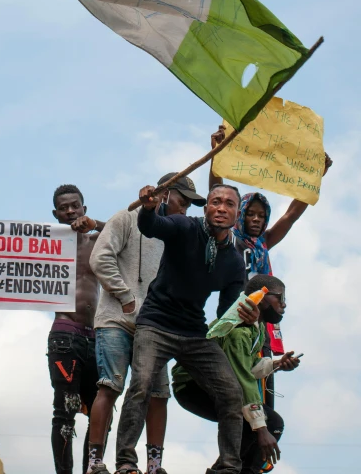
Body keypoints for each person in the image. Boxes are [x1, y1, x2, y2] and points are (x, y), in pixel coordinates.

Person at [0, 183, 105, 474]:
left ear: (85, 208)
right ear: (55, 213)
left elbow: (132, 232)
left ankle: (92, 469)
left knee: (101, 409)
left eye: (75, 205)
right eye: (64, 207)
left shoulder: (100, 240)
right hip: (65, 333)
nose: (71, 210)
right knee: (66, 409)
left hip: (98, 337)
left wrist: (96, 224)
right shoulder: (48, 242)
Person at [114, 182, 259, 474]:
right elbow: (151, 225)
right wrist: (149, 206)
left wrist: (247, 316)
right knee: (141, 385)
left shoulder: (233, 260)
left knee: (231, 393)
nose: (221, 208)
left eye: (229, 204)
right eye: (215, 202)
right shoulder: (184, 226)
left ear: (237, 214)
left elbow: (225, 315)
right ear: (206, 209)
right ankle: (126, 462)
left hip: (194, 333)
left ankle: (229, 467)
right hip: (155, 324)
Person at [87, 172, 208, 474]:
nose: (186, 211)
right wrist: (124, 294)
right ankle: (94, 463)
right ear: (165, 195)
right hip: (117, 319)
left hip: (155, 327)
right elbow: (100, 257)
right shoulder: (127, 218)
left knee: (158, 395)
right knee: (110, 387)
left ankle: (154, 466)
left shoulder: (179, 235)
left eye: (191, 206)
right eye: (183, 202)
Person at [210, 138, 332, 402]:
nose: (256, 219)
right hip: (236, 323)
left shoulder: (265, 242)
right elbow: (216, 193)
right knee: (238, 394)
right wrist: (216, 154)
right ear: (241, 214)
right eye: (251, 214)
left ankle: (261, 428)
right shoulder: (229, 238)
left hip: (262, 328)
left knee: (264, 393)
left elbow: (291, 215)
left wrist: (315, 177)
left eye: (262, 216)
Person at [172, 274, 301, 473]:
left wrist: (277, 364)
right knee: (264, 423)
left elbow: (249, 366)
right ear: (263, 296)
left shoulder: (257, 328)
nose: (284, 305)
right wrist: (262, 429)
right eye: (281, 298)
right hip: (192, 386)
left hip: (216, 384)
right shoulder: (239, 328)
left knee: (261, 423)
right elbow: (242, 377)